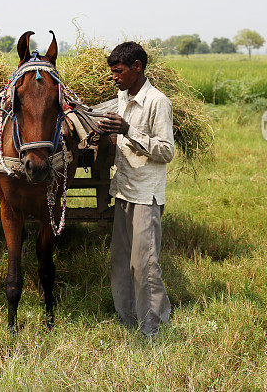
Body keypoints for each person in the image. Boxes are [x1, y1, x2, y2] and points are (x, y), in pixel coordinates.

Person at [98, 41, 175, 338]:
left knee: (145, 265)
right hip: (124, 189)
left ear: (137, 68)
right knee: (121, 262)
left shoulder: (158, 102)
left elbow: (167, 151)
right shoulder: (120, 98)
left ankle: (154, 328)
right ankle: (127, 319)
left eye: (118, 71)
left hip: (146, 193)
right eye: (113, 72)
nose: (114, 77)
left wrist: (128, 131)